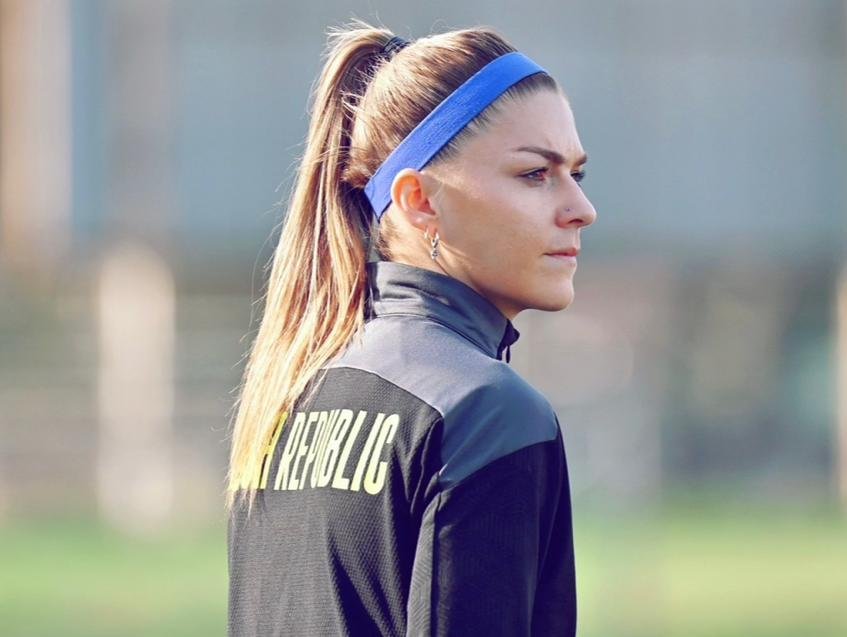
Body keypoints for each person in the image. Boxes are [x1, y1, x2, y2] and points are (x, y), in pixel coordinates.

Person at [225, 18, 597, 637]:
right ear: (420, 201)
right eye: (536, 173)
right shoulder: (487, 411)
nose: (581, 209)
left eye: (576, 175)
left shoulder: (289, 396)